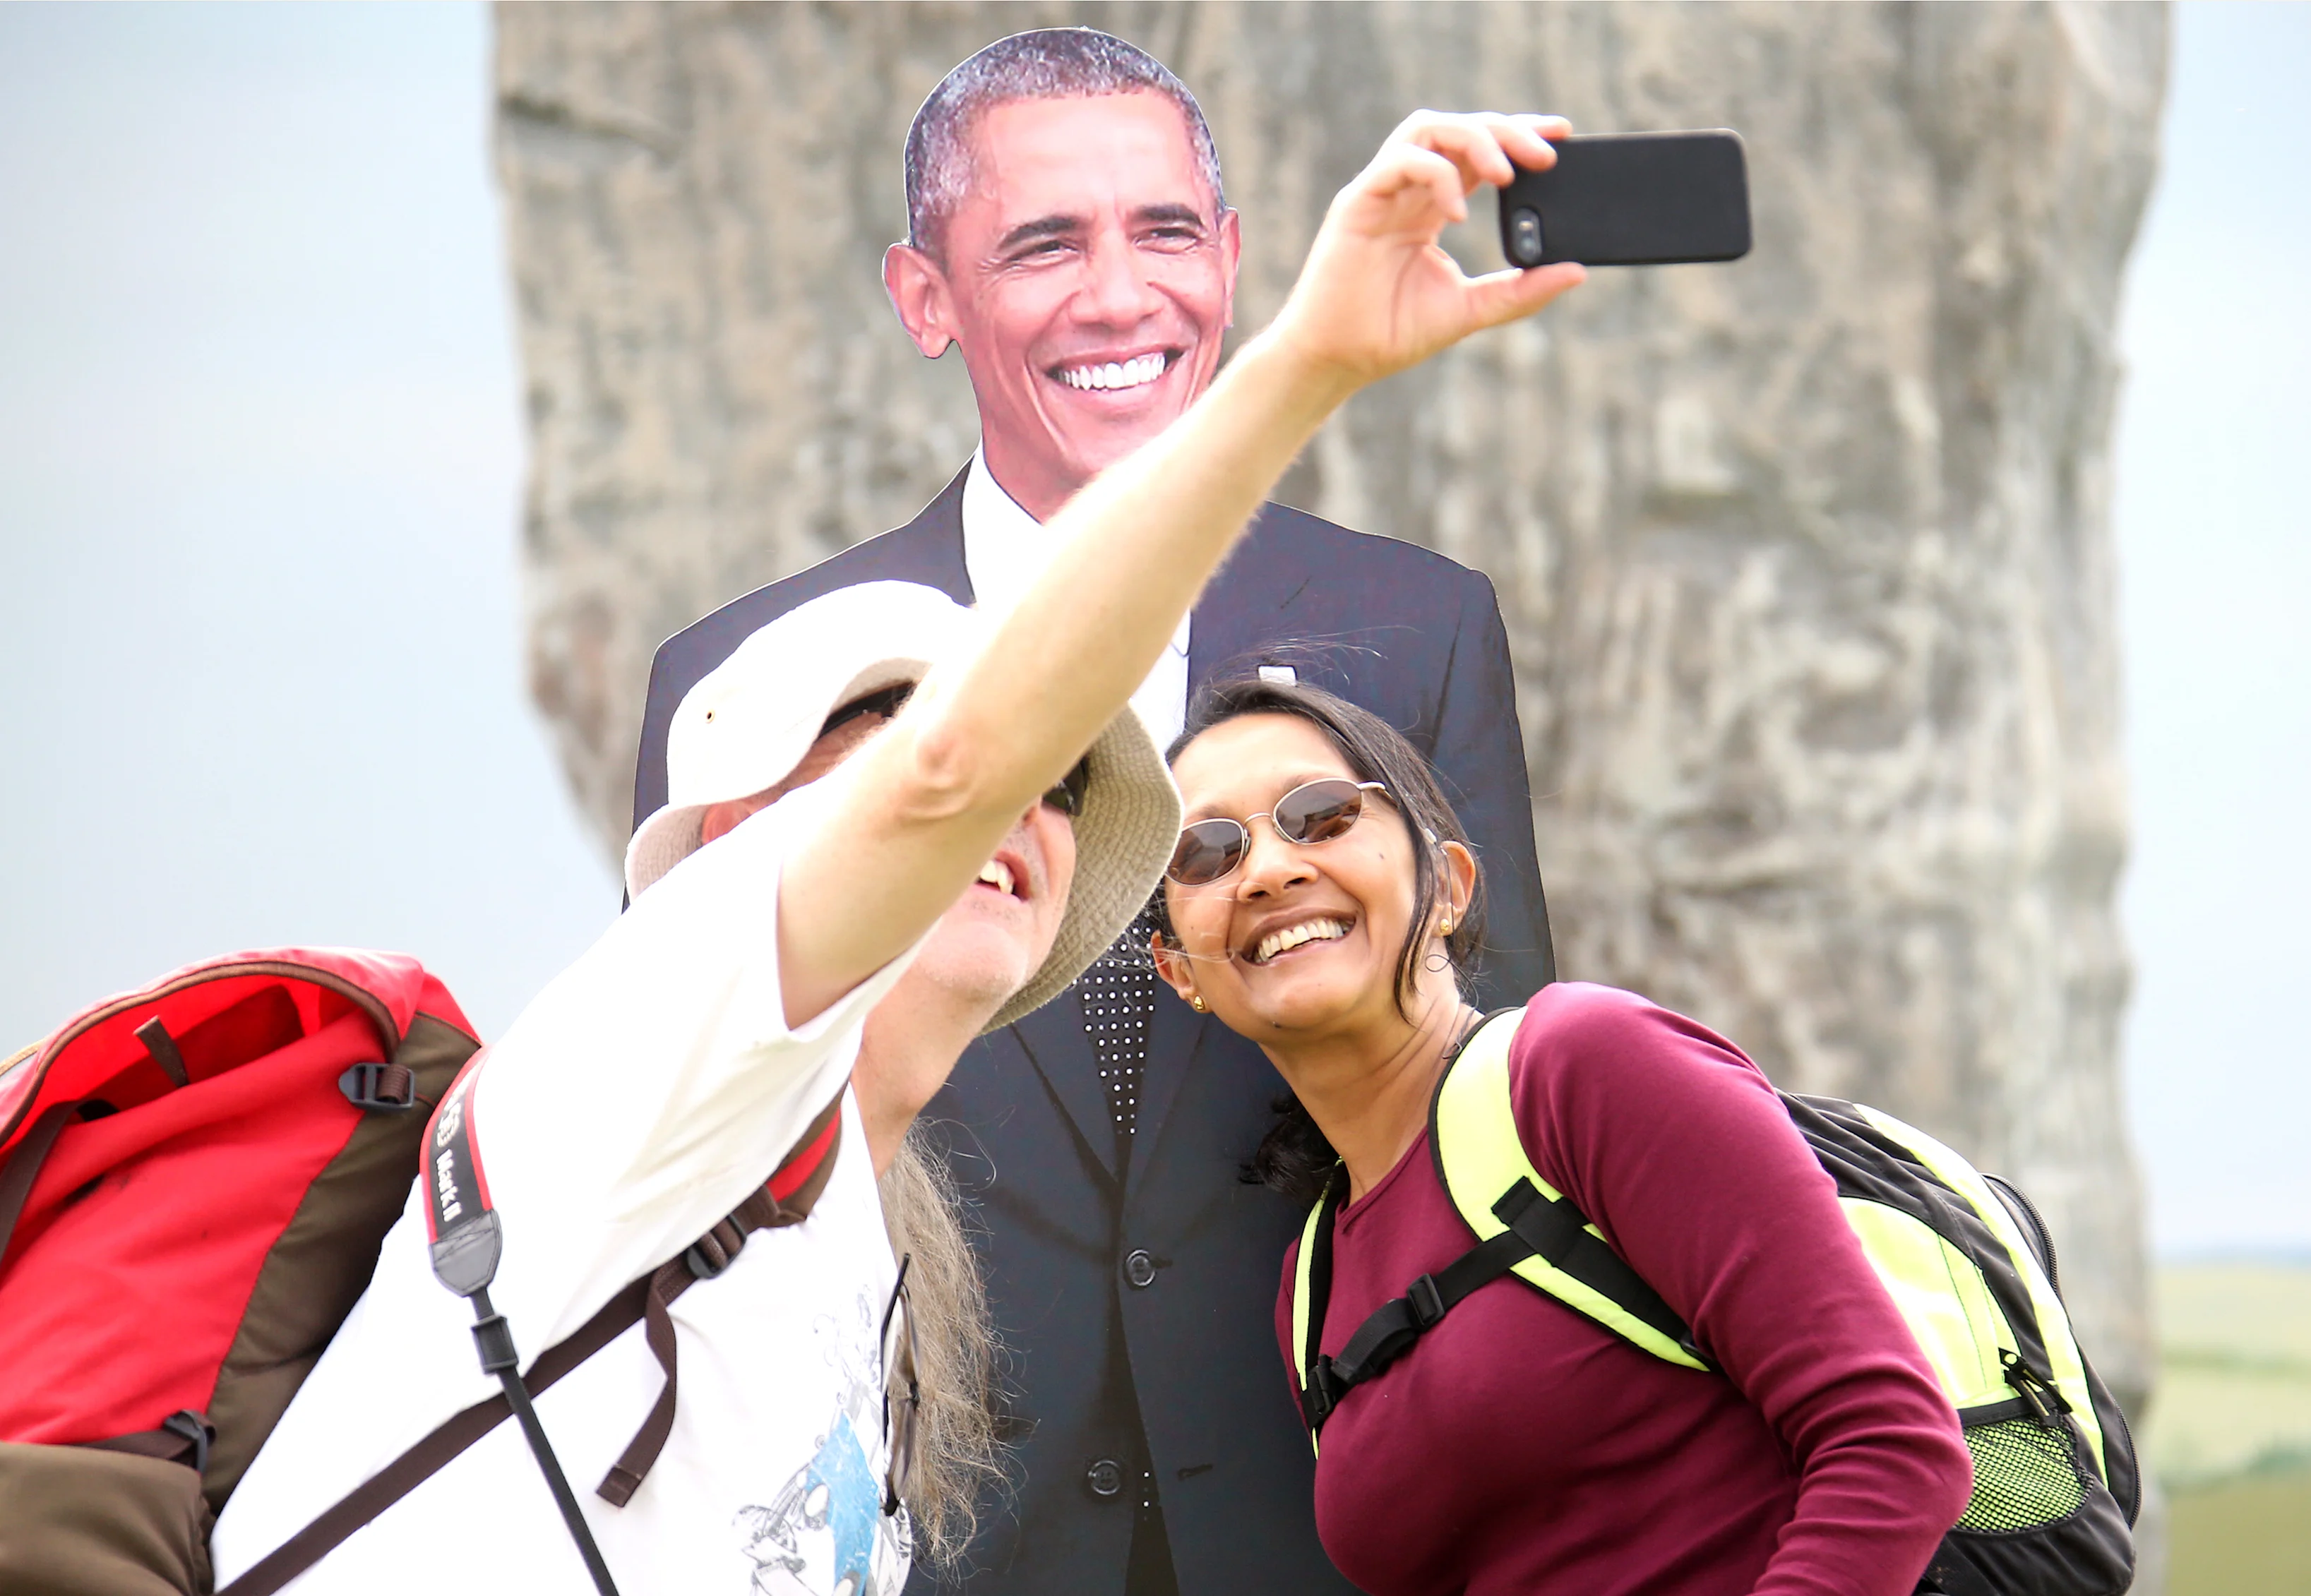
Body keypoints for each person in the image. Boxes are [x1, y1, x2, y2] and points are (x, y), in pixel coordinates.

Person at [208, 106, 1588, 1596]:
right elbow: (954, 773)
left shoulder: (847, 1259)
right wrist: (1306, 367)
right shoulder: (648, 1052)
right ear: (732, 839)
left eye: (1070, 782)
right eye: (881, 730)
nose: (1020, 805)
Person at [632, 33, 1555, 1595]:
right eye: (1043, 244)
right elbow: (712, 1144)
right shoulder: (747, 687)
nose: (1120, 295)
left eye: (1165, 231)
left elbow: (1496, 1084)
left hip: (1337, 1520)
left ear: (1240, 259)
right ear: (925, 297)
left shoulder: (1423, 627)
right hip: (932, 1526)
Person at [1145, 676, 1977, 1596]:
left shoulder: (1580, 1070)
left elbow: (1893, 1443)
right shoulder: (1312, 1292)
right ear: (1180, 969)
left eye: (1322, 815)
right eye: (1207, 852)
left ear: (1449, 886)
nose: (1266, 869)